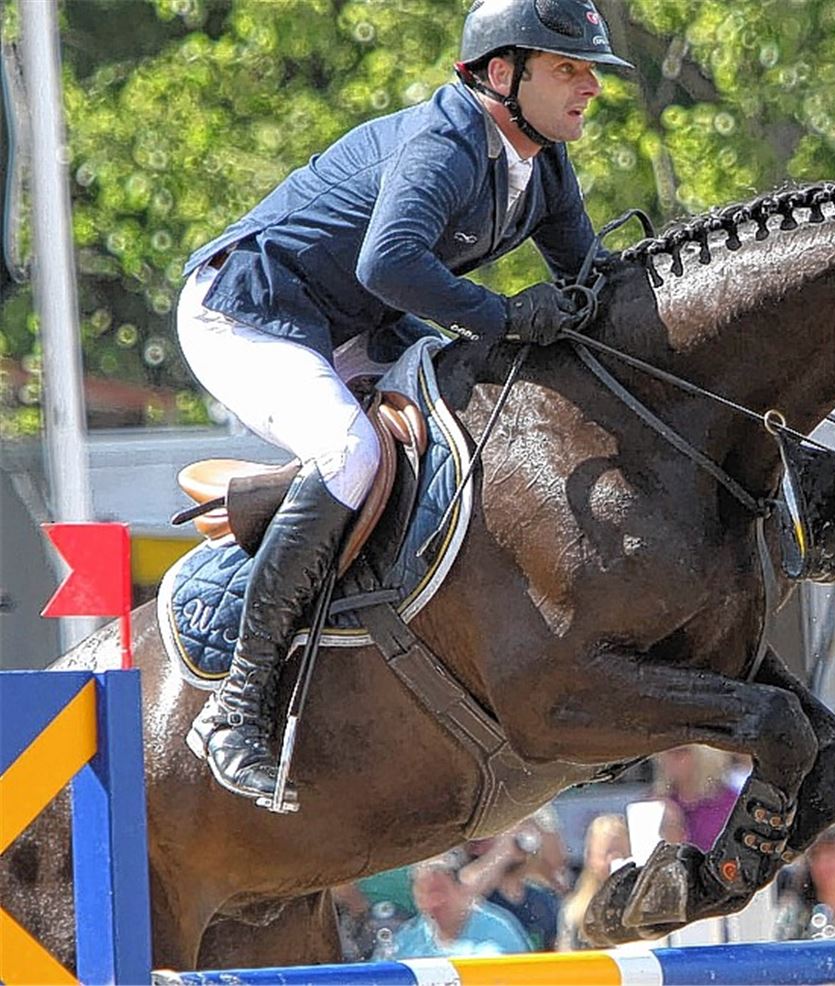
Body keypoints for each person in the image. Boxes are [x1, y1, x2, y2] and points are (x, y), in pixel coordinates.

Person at [175, 0, 633, 806]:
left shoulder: (542, 166)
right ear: (502, 73)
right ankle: (235, 706)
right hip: (249, 308)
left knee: (475, 396)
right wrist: (501, 314)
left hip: (348, 317)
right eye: (568, 68)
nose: (590, 85)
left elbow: (588, 280)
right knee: (349, 452)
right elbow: (390, 263)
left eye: (589, 70)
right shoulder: (446, 145)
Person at [388, 851, 532, 959]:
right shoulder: (409, 937)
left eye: (439, 891)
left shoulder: (496, 929)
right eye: (423, 894)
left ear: (460, 889)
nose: (434, 901)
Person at [459, 810, 566, 951]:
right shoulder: (483, 894)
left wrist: (532, 829)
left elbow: (557, 863)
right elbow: (466, 891)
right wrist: (502, 852)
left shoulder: (542, 899)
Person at [557, 813, 630, 950]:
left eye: (621, 852)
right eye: (607, 853)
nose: (614, 859)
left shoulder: (640, 904)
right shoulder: (574, 911)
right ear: (590, 857)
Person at [652, 744, 739, 852]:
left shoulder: (731, 805)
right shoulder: (656, 804)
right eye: (666, 752)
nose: (669, 758)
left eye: (680, 752)